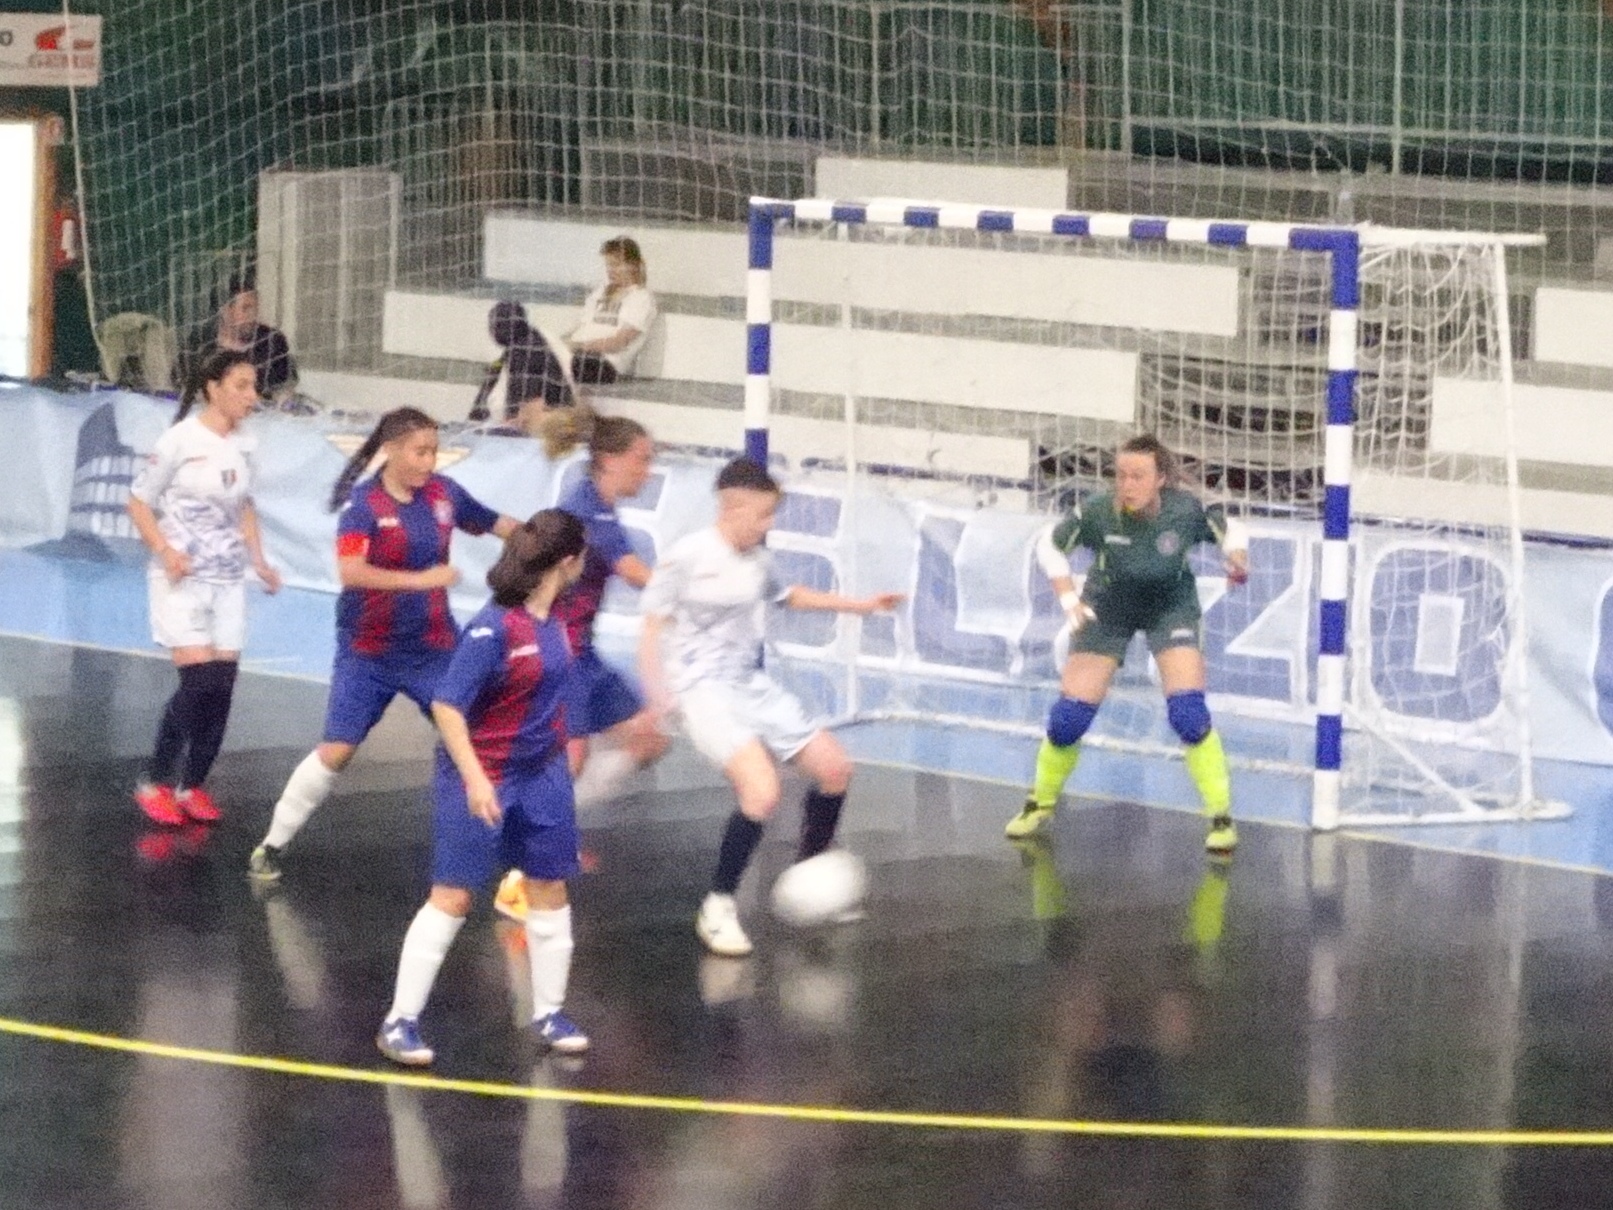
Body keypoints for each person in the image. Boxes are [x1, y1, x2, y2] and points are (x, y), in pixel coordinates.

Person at [638, 457, 903, 958]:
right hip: (699, 690)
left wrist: (862, 606)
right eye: (762, 515)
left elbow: (788, 596)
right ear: (731, 506)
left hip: (748, 684)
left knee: (834, 769)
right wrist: (657, 695)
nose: (768, 524)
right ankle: (718, 905)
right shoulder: (688, 556)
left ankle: (810, 879)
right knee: (761, 793)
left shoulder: (757, 559)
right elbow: (652, 627)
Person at [248, 407, 519, 882]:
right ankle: (272, 844)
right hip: (368, 653)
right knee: (337, 750)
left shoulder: (444, 494)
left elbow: (499, 524)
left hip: (434, 650)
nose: (429, 462)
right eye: (419, 452)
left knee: (479, 739)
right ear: (391, 450)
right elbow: (350, 572)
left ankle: (514, 854)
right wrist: (422, 580)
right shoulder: (363, 507)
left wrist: (548, 541)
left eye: (433, 451)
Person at [376, 510, 591, 1065]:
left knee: (549, 885)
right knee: (453, 896)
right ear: (568, 562)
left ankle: (549, 1012)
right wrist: (475, 779)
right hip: (483, 771)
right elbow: (448, 707)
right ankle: (399, 1021)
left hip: (542, 772)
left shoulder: (559, 617)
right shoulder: (492, 629)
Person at [1004, 434, 1249, 855]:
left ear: (1161, 479)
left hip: (1170, 607)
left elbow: (1233, 530)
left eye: (1138, 476)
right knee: (1068, 720)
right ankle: (1039, 803)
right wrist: (1068, 598)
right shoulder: (1099, 512)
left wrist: (1237, 557)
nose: (1127, 485)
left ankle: (1221, 816)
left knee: (1188, 715)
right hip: (1108, 607)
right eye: (1121, 475)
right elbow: (1049, 545)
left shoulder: (1183, 511)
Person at [493, 415, 668, 920]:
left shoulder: (598, 506)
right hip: (556, 652)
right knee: (567, 760)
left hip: (582, 653)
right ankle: (521, 871)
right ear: (610, 460)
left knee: (647, 739)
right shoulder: (588, 513)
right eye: (642, 459)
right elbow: (636, 575)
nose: (648, 470)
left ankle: (551, 832)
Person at [127, 348, 283, 826]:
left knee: (222, 688)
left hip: (227, 578)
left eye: (254, 387)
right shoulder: (180, 439)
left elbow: (245, 505)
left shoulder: (247, 444)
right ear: (213, 388)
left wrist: (259, 560)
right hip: (183, 579)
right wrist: (166, 551)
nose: (251, 396)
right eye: (241, 386)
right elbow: (138, 501)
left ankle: (191, 786)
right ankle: (154, 781)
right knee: (199, 683)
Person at [472, 237, 657, 422]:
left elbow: (618, 342)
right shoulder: (600, 292)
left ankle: (505, 416)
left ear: (633, 265)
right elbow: (580, 328)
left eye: (616, 265)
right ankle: (482, 415)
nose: (611, 271)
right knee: (518, 353)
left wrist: (575, 346)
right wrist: (559, 343)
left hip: (604, 363)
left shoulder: (641, 299)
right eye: (608, 265)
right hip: (576, 354)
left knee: (525, 357)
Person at [184, 273, 297, 402]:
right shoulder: (201, 341)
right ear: (225, 311)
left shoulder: (272, 341)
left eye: (254, 309)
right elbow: (180, 382)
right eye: (245, 308)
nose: (252, 315)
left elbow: (284, 387)